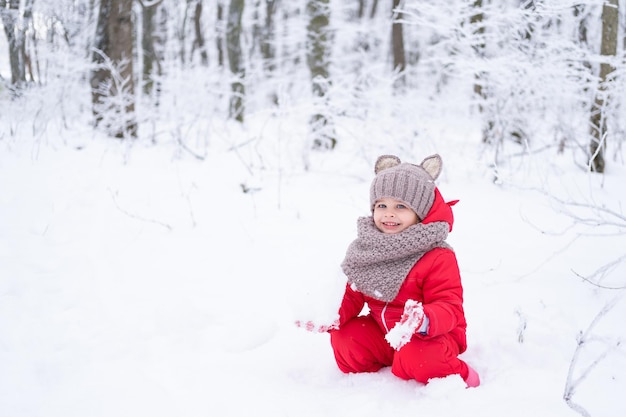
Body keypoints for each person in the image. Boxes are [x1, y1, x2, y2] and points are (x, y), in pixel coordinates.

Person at [299, 154, 480, 388]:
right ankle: (392, 365)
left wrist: (423, 320)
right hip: (386, 334)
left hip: (430, 336)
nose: (389, 213)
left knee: (421, 356)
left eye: (401, 206)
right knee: (346, 337)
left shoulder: (437, 256)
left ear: (420, 213)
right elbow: (353, 294)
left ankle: (461, 375)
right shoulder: (365, 249)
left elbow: (449, 307)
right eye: (382, 205)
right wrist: (329, 315)